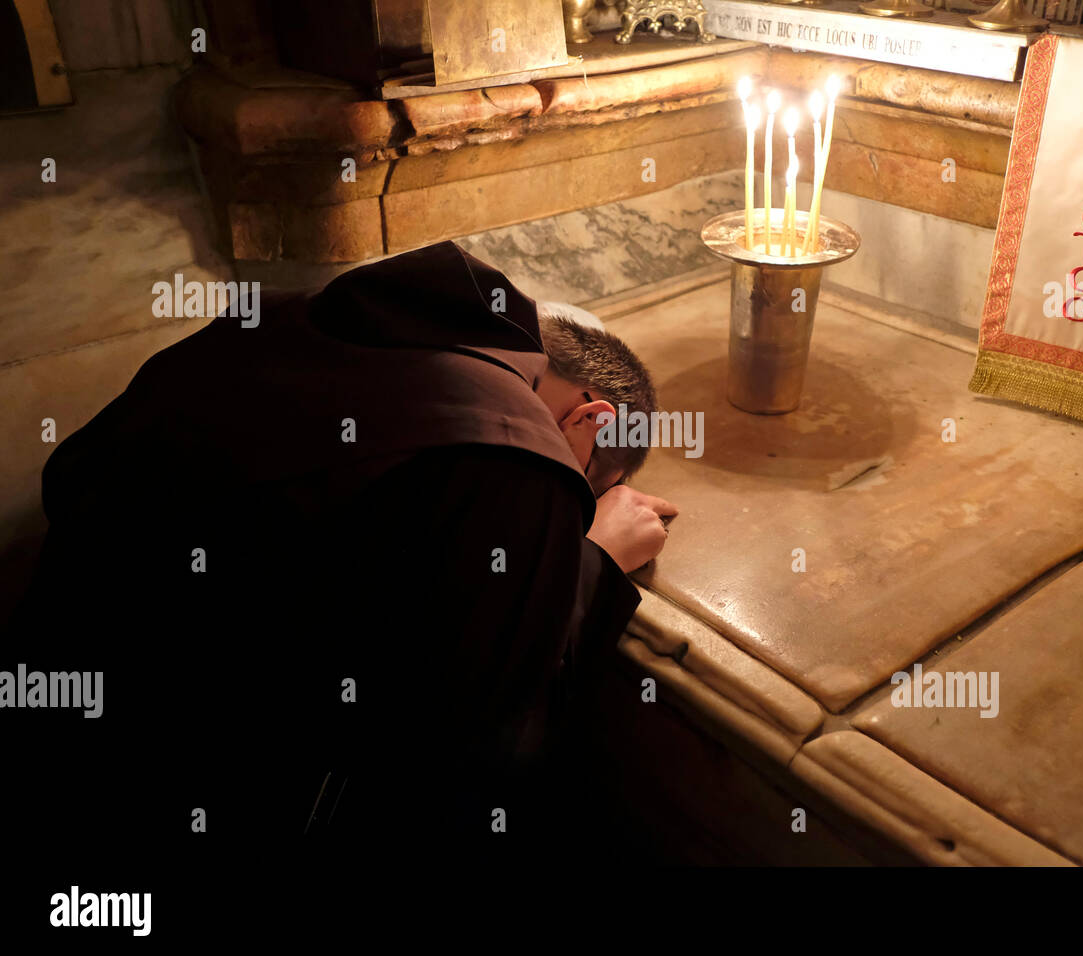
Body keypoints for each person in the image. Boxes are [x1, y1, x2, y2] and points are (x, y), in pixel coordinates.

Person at [6, 241, 677, 853]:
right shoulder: (517, 457)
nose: (567, 508)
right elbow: (479, 753)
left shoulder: (298, 321)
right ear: (592, 420)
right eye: (590, 486)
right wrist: (594, 560)